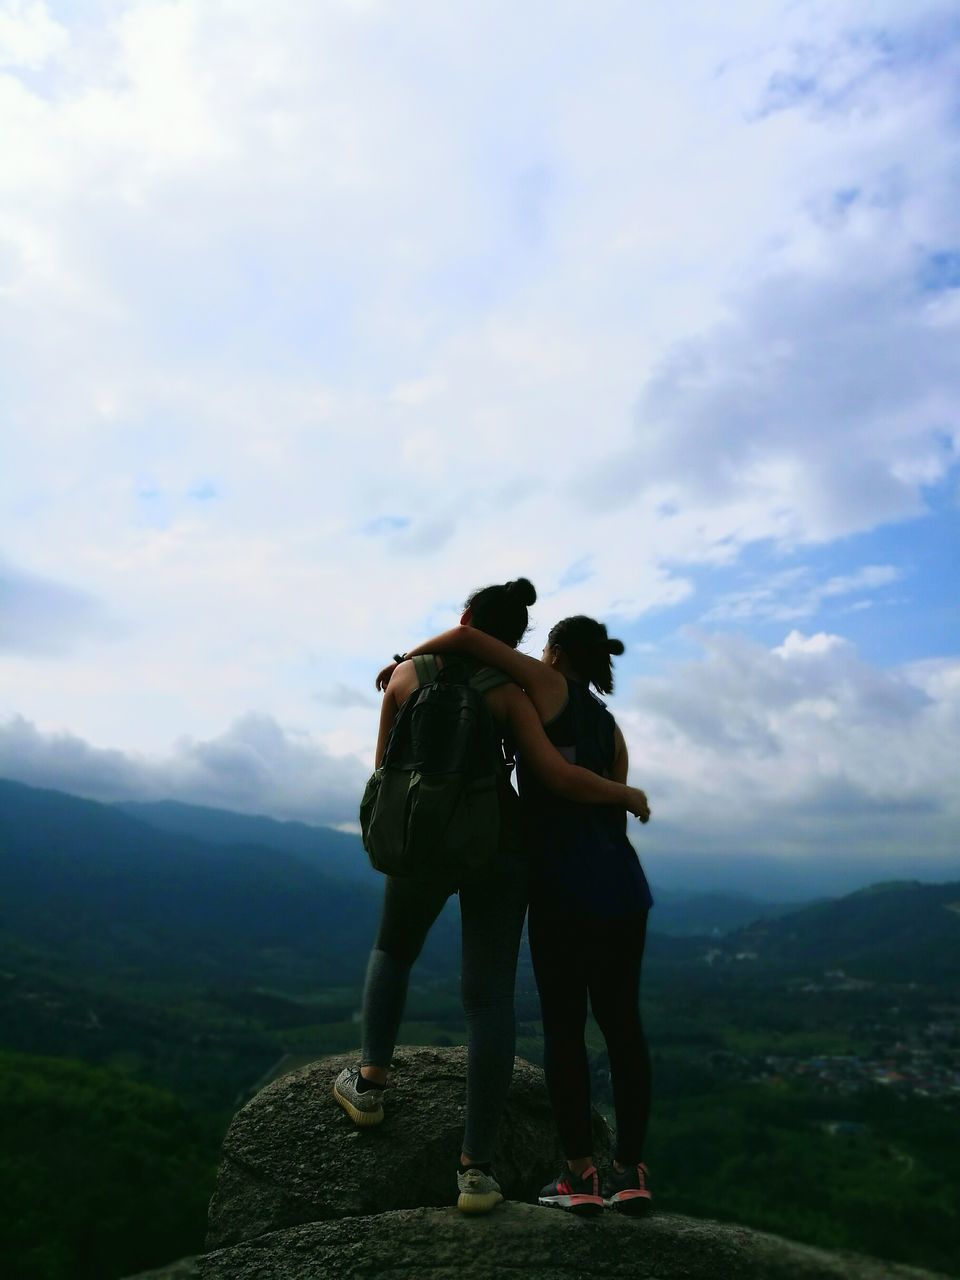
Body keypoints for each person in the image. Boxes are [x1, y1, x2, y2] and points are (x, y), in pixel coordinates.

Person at [333, 579, 650, 1216]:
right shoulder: (517, 695)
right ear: (521, 640)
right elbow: (561, 776)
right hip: (517, 853)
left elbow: (385, 768)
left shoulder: (409, 679)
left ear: (468, 618)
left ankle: (369, 1082)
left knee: (394, 951)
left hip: (443, 847)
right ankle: (479, 1169)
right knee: (495, 1000)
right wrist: (626, 796)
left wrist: (401, 667)